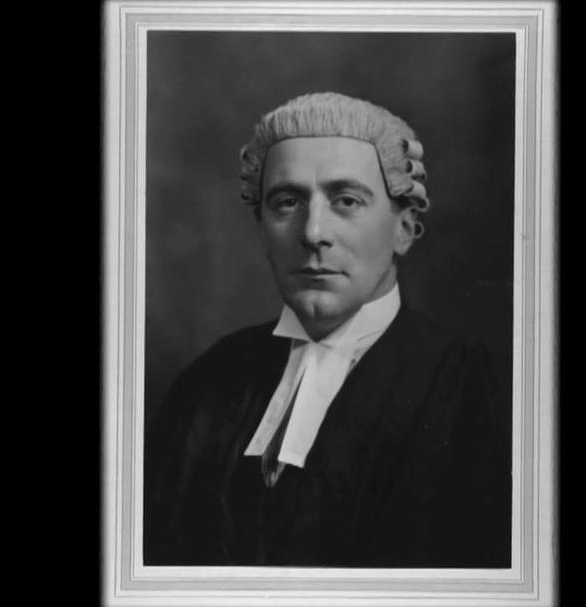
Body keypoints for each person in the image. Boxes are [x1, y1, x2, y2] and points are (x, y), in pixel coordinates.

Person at [144, 92, 510, 568]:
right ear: (261, 228)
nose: (313, 231)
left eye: (347, 200)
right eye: (287, 202)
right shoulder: (209, 381)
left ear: (403, 228)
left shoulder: (464, 384)